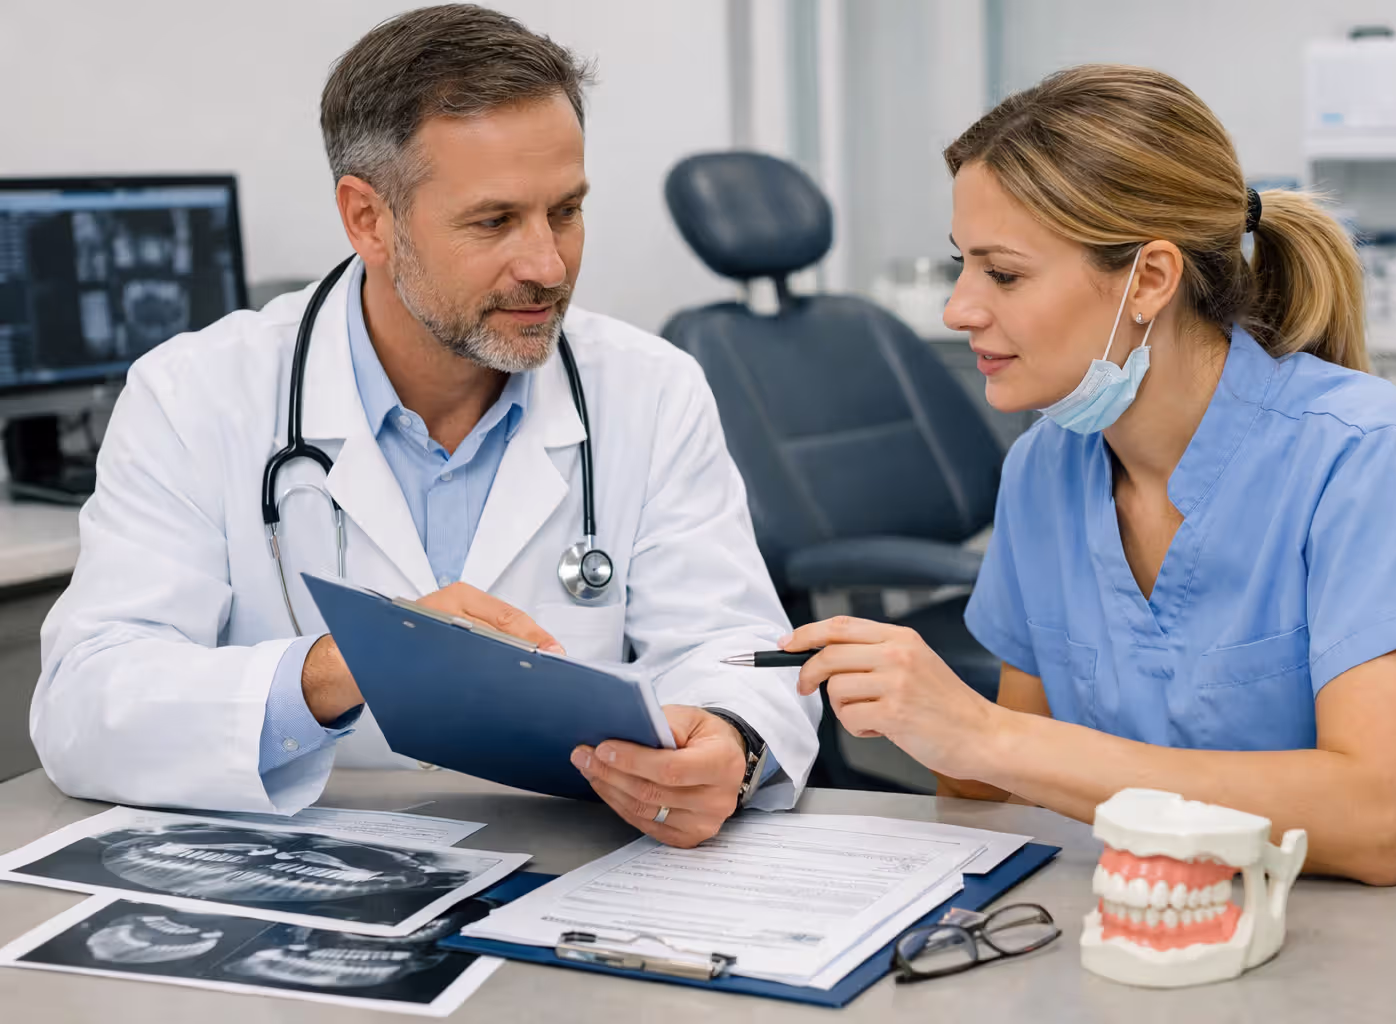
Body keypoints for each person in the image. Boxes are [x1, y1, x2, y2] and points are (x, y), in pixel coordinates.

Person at [32, 4, 819, 849]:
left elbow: (736, 649)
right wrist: (341, 668)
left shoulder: (650, 390)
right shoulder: (196, 394)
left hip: (578, 873)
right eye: (494, 221)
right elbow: (86, 702)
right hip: (308, 881)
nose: (548, 266)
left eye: (566, 211)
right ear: (369, 219)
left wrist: (731, 745)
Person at [781, 64, 1396, 884]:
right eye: (961, 264)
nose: (958, 308)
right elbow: (997, 792)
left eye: (1002, 273)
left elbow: (1379, 822)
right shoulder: (1045, 468)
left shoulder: (1364, 453)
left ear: (1149, 279)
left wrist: (985, 735)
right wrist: (920, 715)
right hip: (1179, 924)